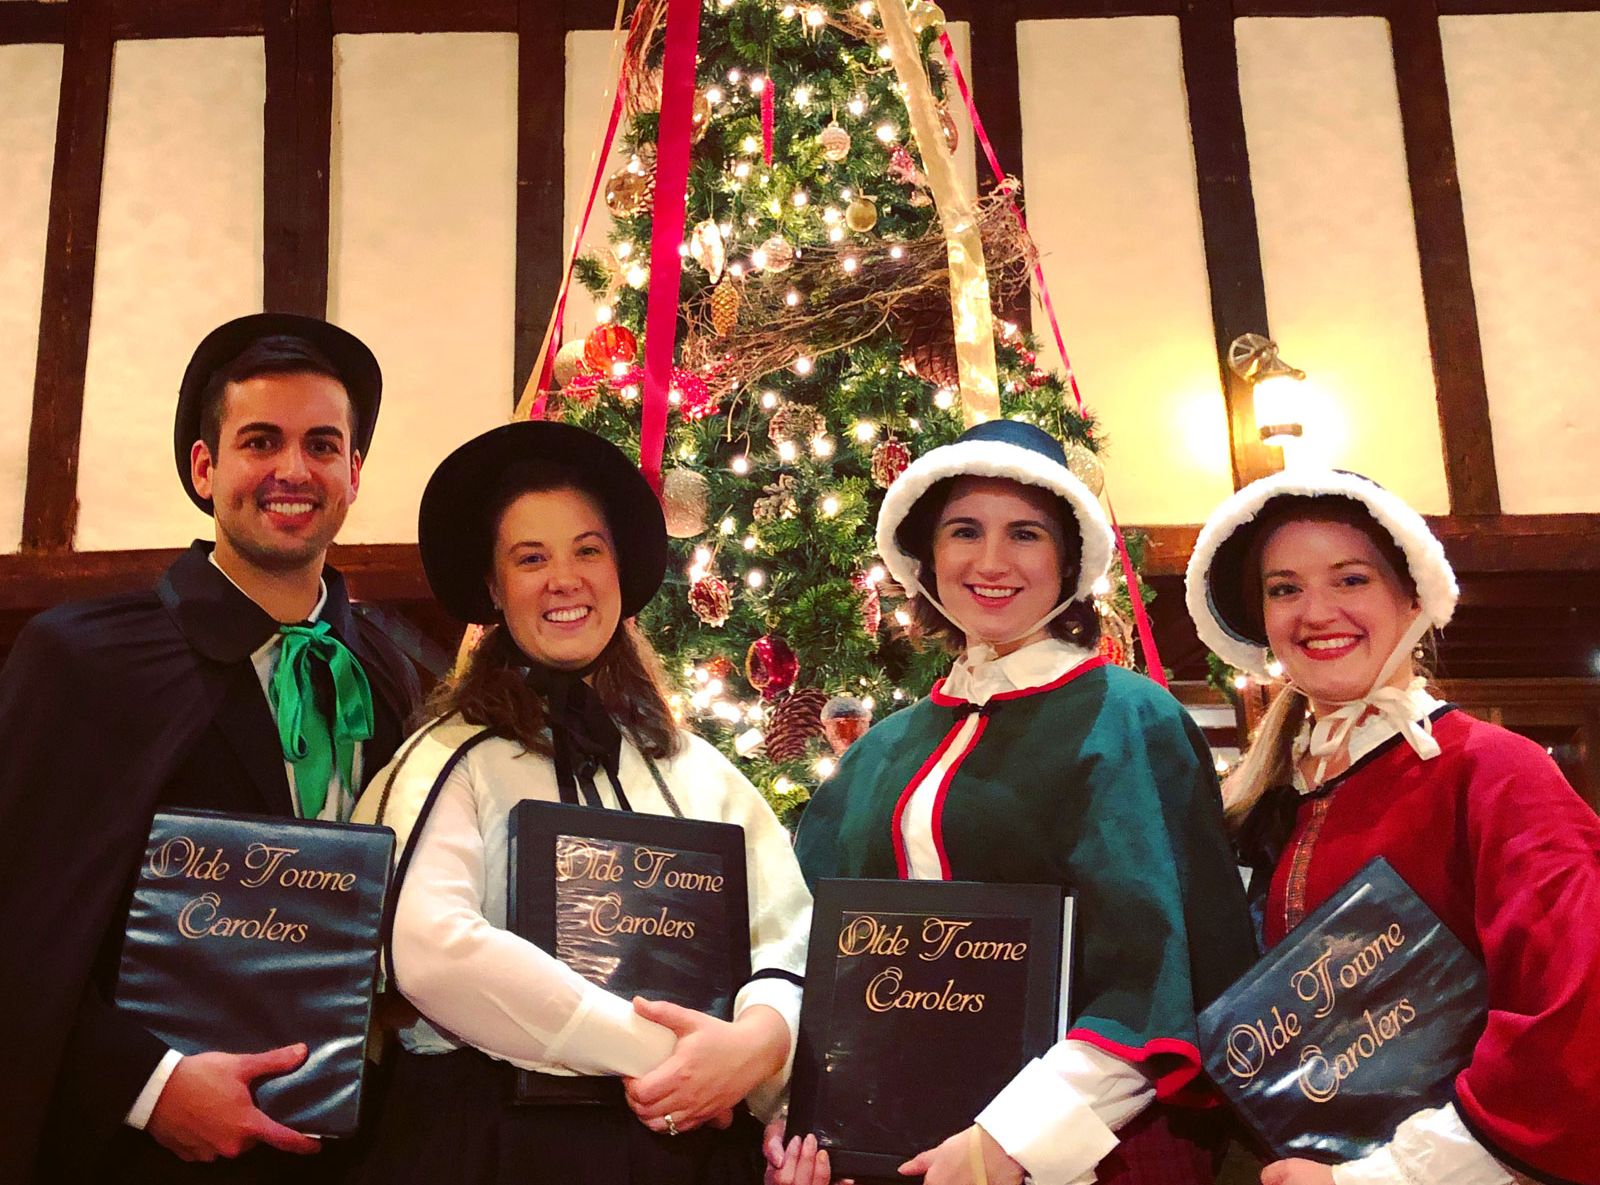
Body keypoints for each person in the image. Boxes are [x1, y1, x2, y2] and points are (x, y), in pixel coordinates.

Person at [773, 420, 1257, 1185]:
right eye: (965, 531)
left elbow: (1156, 971)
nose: (992, 562)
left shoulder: (1128, 719)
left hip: (1085, 1157)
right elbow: (810, 955)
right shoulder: (881, 750)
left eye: (1025, 534)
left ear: (1068, 562)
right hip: (889, 1155)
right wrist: (795, 1117)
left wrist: (1011, 1143)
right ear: (927, 557)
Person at [0, 313, 421, 1183]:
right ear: (205, 467)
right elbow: (18, 924)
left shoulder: (393, 672)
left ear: (353, 475)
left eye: (322, 444)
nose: (292, 471)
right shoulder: (83, 658)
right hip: (145, 1153)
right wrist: (150, 1088)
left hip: (357, 1147)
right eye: (260, 441)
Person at [352, 420, 812, 1185]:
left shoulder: (695, 770)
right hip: (496, 1146)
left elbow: (785, 935)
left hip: (691, 1150)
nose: (564, 579)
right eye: (530, 558)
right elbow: (433, 954)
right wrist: (672, 1060)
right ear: (495, 590)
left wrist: (757, 1046)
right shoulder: (447, 759)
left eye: (586, 550)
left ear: (620, 572)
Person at [1185, 468, 1600, 1185]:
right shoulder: (1261, 800)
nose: (1314, 611)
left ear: (1412, 596)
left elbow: (1575, 1017)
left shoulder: (1496, 771)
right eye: (1284, 588)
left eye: (1350, 580)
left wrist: (1383, 1176)